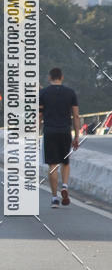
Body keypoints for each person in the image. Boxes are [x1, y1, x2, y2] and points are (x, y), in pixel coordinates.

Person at [39, 68, 80, 207]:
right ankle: (65, 186)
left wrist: (36, 132)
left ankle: (54, 198)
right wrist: (77, 136)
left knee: (52, 165)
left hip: (50, 131)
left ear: (49, 77)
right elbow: (76, 116)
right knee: (65, 162)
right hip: (65, 131)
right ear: (61, 77)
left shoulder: (43, 93)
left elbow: (39, 115)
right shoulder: (71, 93)